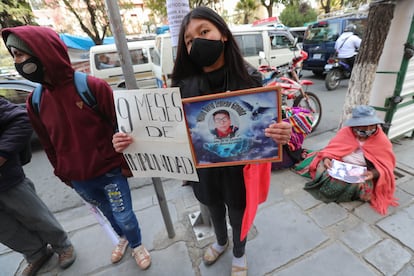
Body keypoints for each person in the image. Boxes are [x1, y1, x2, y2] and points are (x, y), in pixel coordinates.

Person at [113, 7, 291, 276]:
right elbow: (163, 128)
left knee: (238, 214)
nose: (195, 41)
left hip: (240, 171)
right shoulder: (183, 85)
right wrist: (132, 140)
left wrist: (282, 132)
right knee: (214, 211)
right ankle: (220, 242)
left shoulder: (250, 78)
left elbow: (270, 120)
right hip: (204, 170)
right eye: (188, 39)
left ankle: (239, 253)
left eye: (203, 31)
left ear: (223, 35)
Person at [1, 26, 151, 270]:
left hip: (111, 173)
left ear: (41, 52)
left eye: (19, 54)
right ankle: (123, 238)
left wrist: (124, 166)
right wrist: (63, 173)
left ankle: (136, 244)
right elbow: (49, 145)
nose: (17, 61)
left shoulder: (92, 87)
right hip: (80, 180)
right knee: (109, 214)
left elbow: (121, 127)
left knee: (125, 216)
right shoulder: (34, 101)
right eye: (13, 55)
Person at [0, 97, 76, 276]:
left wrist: (2, 153)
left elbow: (21, 120)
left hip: (6, 178)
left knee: (34, 215)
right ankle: (36, 254)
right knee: (5, 229)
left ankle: (63, 245)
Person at [300, 105, 398, 215]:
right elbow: (332, 149)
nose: (367, 131)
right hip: (340, 165)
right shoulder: (345, 132)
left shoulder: (381, 140)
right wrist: (327, 158)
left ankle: (351, 193)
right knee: (325, 173)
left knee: (362, 188)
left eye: (371, 127)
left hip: (363, 171)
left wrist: (373, 173)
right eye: (363, 127)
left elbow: (387, 166)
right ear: (354, 125)